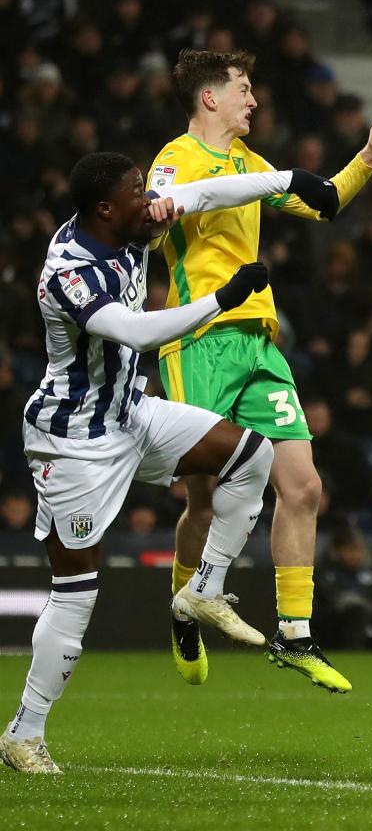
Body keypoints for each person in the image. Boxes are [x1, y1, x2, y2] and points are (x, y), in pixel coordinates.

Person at [1, 151, 338, 774]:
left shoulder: (129, 221)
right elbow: (139, 334)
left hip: (133, 412)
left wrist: (290, 181)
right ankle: (25, 731)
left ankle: (201, 591)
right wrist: (224, 297)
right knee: (75, 594)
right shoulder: (70, 271)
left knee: (250, 454)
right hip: (74, 442)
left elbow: (210, 193)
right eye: (139, 191)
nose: (153, 199)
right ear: (106, 208)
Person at [147, 49, 372, 693]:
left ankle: (295, 634)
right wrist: (157, 213)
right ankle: (185, 608)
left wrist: (371, 154)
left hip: (260, 341)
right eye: (243, 89)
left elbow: (322, 204)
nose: (254, 101)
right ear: (210, 99)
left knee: (303, 487)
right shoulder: (174, 159)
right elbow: (150, 221)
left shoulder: (249, 163)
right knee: (204, 503)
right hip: (199, 339)